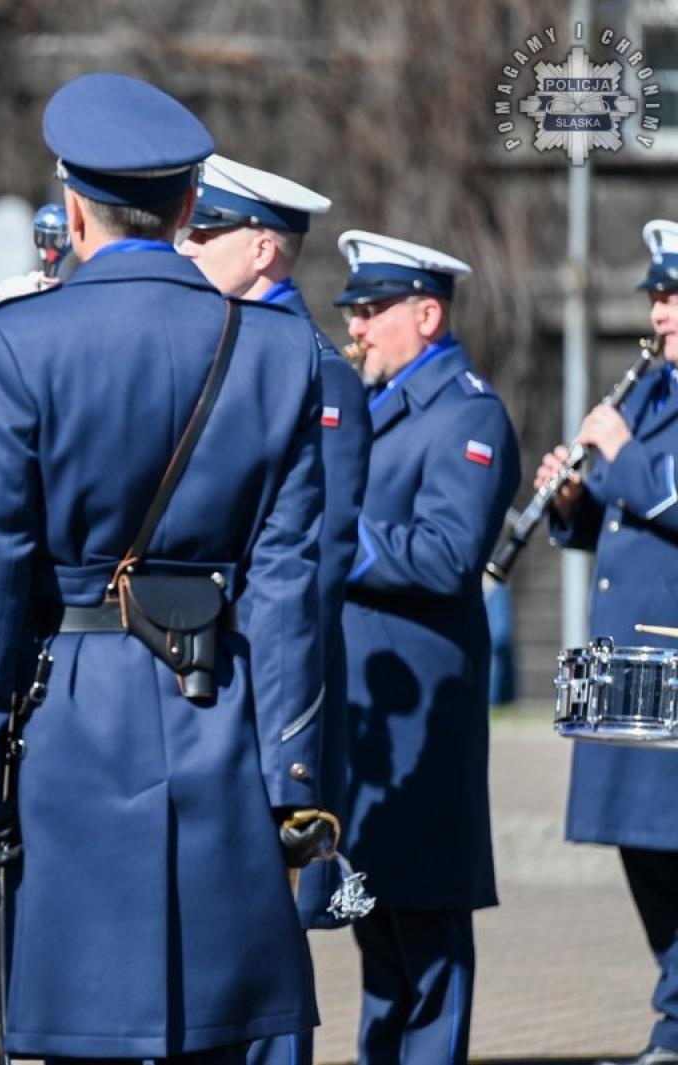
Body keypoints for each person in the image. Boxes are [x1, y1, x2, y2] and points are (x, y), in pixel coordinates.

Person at [0, 72, 333, 1064]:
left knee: (85, 1036)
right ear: (189, 207)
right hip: (225, 713)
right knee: (220, 1031)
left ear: (71, 208)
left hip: (66, 720)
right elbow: (289, 583)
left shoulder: (19, 341)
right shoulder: (280, 349)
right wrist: (293, 773)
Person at [180, 154, 371, 1065]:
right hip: (202, 684)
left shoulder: (313, 368)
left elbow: (315, 563)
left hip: (265, 699)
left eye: (206, 232)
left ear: (263, 249)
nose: (189, 244)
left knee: (260, 961)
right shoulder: (220, 346)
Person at [332, 231, 520, 1065]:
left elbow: (449, 555)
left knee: (429, 942)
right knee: (376, 931)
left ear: (427, 313)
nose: (359, 328)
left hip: (424, 712)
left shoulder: (468, 412)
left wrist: (341, 540)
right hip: (368, 708)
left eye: (372, 311)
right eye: (357, 311)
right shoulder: (377, 401)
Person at [541, 219, 678, 1065]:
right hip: (621, 655)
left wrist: (619, 456)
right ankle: (672, 1014)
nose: (660, 314)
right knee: (634, 837)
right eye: (659, 298)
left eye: (672, 297)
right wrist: (571, 503)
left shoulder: (642, 413)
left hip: (671, 653)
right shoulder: (651, 390)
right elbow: (629, 512)